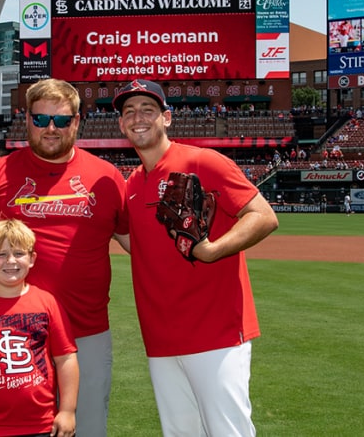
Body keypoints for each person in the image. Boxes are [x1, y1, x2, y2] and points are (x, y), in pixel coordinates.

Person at [0, 78, 128, 437]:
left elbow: (136, 243)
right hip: (7, 334)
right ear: (25, 119)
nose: (51, 128)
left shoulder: (106, 176)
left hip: (85, 330)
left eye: (62, 121)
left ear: (77, 122)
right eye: (41, 118)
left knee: (88, 426)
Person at [113, 79, 278, 436]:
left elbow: (263, 216)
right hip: (160, 335)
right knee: (181, 432)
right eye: (129, 112)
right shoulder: (131, 184)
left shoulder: (203, 161)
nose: (138, 118)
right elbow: (137, 243)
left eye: (148, 109)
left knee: (227, 430)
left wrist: (212, 250)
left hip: (214, 330)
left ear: (167, 118)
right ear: (122, 125)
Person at [0, 219, 78, 437]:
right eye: (1, 255)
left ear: (32, 259)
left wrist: (67, 410)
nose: (11, 261)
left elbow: (65, 359)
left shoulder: (47, 303)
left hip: (42, 425)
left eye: (19, 253)